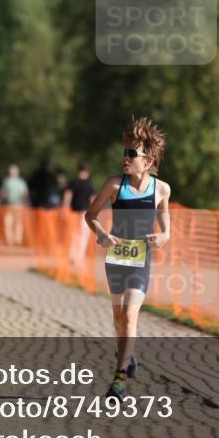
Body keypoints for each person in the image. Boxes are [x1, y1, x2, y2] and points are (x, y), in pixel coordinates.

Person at [85, 117, 171, 398]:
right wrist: (101, 234)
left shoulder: (161, 189)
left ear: (148, 161)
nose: (126, 157)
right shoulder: (113, 185)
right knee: (119, 318)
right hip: (116, 257)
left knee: (130, 314)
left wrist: (164, 235)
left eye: (132, 154)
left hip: (141, 259)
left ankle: (118, 380)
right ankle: (128, 354)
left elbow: (164, 217)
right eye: (125, 152)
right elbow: (91, 215)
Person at [64, 162, 96, 269]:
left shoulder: (73, 182)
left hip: (73, 211)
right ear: (88, 171)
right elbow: (92, 199)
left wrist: (65, 207)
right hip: (85, 213)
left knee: (73, 234)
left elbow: (68, 195)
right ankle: (79, 257)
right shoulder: (89, 183)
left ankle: (72, 256)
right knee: (84, 235)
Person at [0, 164, 29, 245]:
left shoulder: (7, 181)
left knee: (9, 224)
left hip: (9, 205)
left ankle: (10, 241)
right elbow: (25, 194)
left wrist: (1, 203)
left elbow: (3, 194)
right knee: (17, 224)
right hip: (18, 205)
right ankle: (16, 241)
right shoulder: (21, 182)